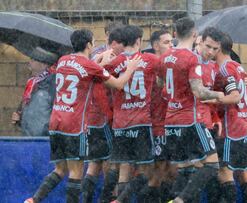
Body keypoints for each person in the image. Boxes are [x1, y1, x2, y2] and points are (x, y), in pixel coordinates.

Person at [24, 29, 142, 203]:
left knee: (59, 169)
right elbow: (118, 84)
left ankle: (34, 199)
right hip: (74, 124)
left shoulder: (63, 61)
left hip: (56, 122)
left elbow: (82, 71)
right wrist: (130, 68)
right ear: (89, 44)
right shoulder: (90, 66)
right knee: (76, 172)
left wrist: (99, 63)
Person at [159, 17, 224, 203]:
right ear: (196, 36)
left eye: (215, 49)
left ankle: (176, 199)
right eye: (209, 47)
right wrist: (220, 95)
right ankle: (180, 201)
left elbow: (161, 87)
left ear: (174, 34)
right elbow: (198, 92)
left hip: (171, 121)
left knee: (187, 169)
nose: (211, 52)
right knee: (212, 165)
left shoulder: (165, 57)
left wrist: (176, 95)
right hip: (190, 120)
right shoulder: (191, 59)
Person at [103, 25, 159, 203]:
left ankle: (117, 199)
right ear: (138, 41)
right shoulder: (149, 59)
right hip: (141, 122)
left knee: (124, 168)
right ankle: (120, 201)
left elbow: (97, 77)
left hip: (120, 124)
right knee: (146, 170)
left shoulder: (113, 63)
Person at [210, 32, 247, 203]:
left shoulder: (224, 69)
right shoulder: (239, 67)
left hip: (231, 127)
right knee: (244, 174)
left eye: (212, 47)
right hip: (246, 125)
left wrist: (211, 98)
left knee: (224, 172)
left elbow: (234, 96)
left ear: (219, 48)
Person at [83, 26, 125, 203]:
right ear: (114, 43)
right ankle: (108, 199)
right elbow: (106, 87)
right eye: (124, 44)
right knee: (111, 163)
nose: (125, 49)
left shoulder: (96, 56)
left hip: (91, 118)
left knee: (94, 164)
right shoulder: (107, 58)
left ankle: (86, 200)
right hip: (102, 118)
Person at [136, 29, 175, 203]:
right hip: (156, 126)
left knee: (168, 172)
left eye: (172, 42)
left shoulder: (172, 65)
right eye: (166, 42)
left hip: (171, 126)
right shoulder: (152, 66)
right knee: (156, 172)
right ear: (155, 45)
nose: (171, 45)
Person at [11, 48, 58, 137]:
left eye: (33, 59)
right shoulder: (32, 83)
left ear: (44, 64)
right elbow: (30, 112)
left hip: (43, 141)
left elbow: (55, 113)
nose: (30, 62)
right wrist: (19, 118)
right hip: (29, 139)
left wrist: (45, 133)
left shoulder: (52, 83)